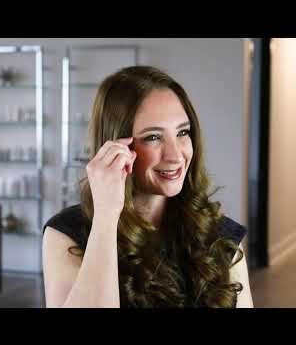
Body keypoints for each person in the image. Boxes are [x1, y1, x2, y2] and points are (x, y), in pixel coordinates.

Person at [42, 66, 253, 308]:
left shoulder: (222, 236)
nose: (175, 156)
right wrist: (106, 216)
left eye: (183, 132)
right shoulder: (67, 235)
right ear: (117, 146)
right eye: (153, 137)